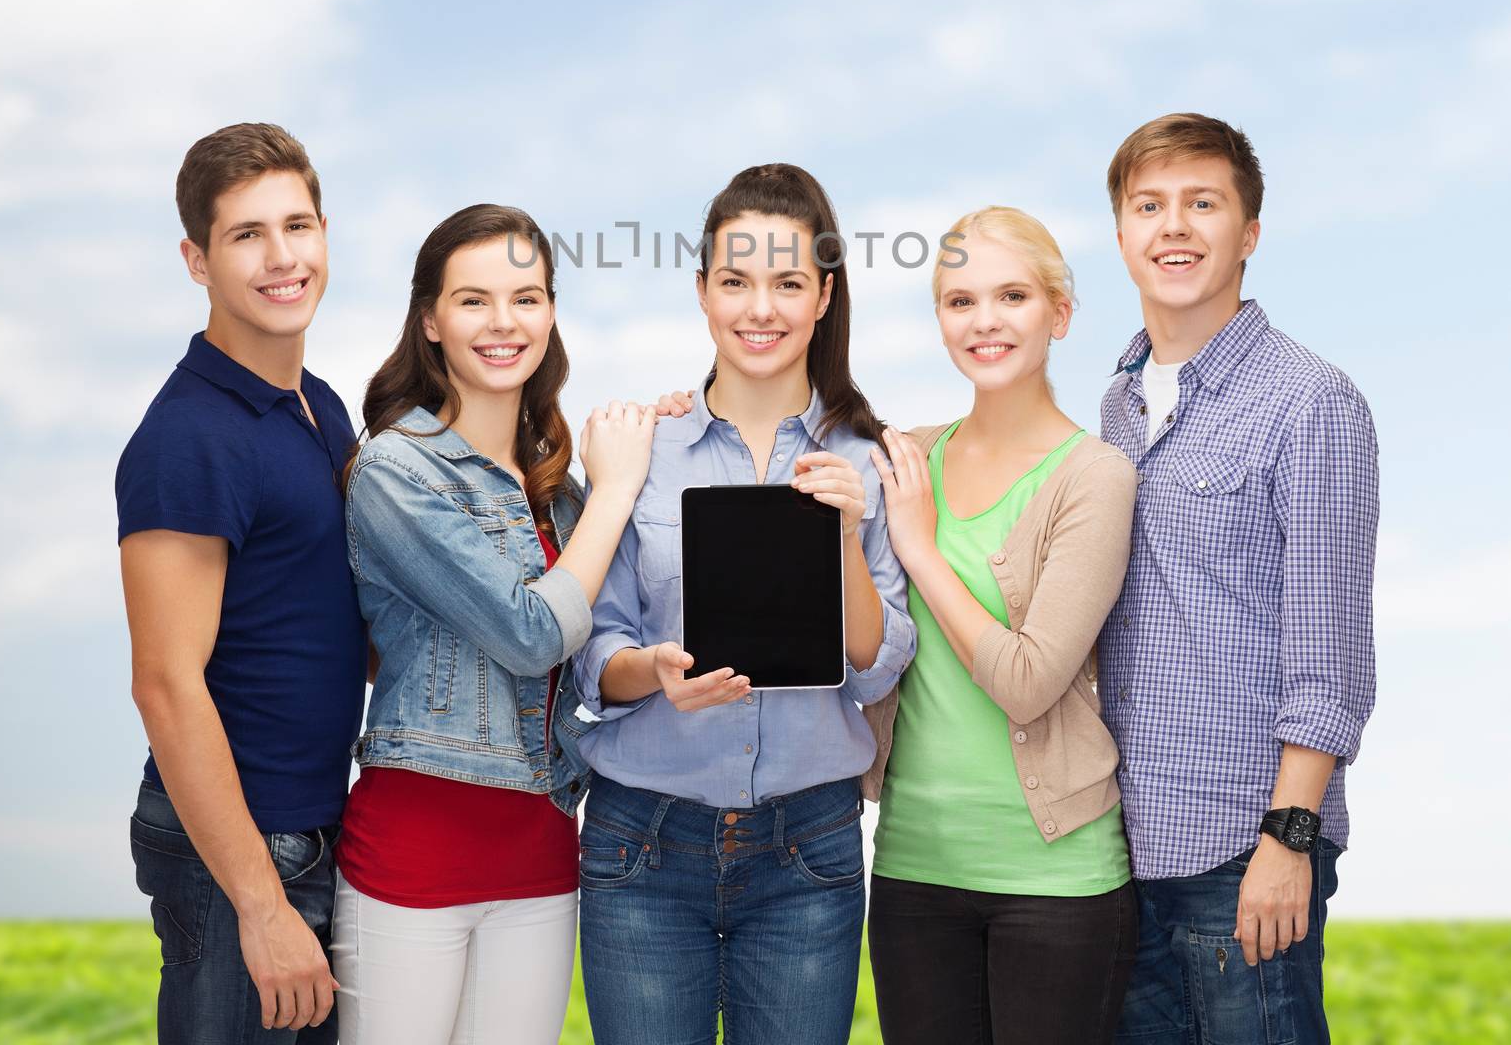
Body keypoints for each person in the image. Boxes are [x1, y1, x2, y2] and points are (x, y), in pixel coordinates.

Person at [571, 163, 915, 1045]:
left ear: (823, 295)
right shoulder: (642, 448)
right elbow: (591, 651)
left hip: (810, 850)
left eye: (787, 283)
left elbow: (876, 673)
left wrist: (843, 533)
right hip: (640, 844)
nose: (759, 308)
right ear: (701, 291)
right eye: (735, 281)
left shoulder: (867, 460)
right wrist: (652, 672)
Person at [330, 205, 657, 1045]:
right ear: (430, 321)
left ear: (550, 312)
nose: (504, 322)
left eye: (527, 297)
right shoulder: (395, 468)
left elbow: (598, 644)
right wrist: (618, 488)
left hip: (543, 853)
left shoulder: (559, 488)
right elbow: (531, 634)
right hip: (414, 852)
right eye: (473, 300)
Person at [1099, 113, 1378, 1045]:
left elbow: (1328, 650)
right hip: (1124, 847)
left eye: (1201, 203)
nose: (1172, 226)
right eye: (1149, 205)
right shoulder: (1117, 402)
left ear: (1247, 233)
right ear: (1121, 233)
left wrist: (1287, 841)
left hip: (1242, 846)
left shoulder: (1311, 402)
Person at [864, 206, 1139, 1045]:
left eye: (1012, 295)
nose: (984, 321)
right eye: (959, 301)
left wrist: (917, 546)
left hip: (1055, 884)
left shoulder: (1094, 476)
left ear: (1057, 314)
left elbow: (1028, 682)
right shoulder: (902, 457)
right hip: (912, 869)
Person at [118, 122, 366, 1042]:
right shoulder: (190, 437)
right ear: (197, 259)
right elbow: (165, 684)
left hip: (312, 831)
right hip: (236, 856)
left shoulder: (319, 404)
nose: (281, 257)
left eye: (296, 227)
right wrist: (262, 906)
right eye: (246, 235)